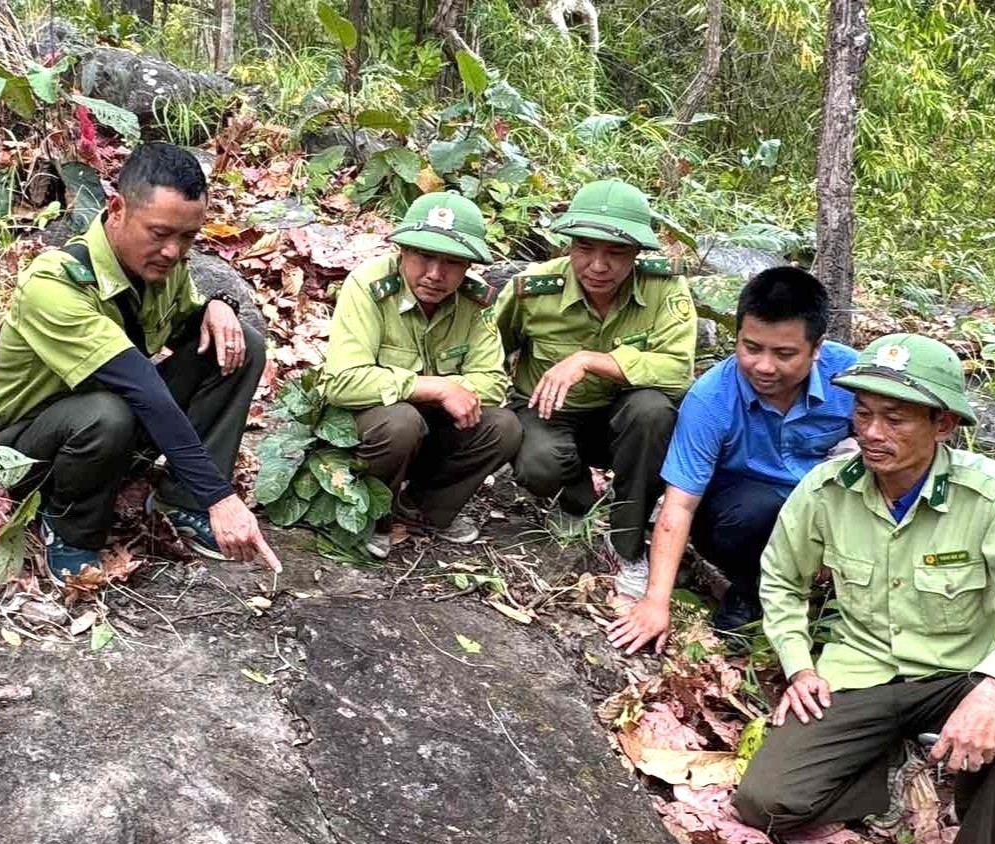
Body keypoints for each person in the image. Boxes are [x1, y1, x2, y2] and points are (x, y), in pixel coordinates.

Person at [732, 334, 995, 844]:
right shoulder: (826, 489)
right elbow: (780, 581)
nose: (872, 432)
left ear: (942, 425)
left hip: (958, 675)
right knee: (764, 803)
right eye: (863, 414)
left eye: (895, 418)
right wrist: (799, 663)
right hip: (859, 669)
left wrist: (994, 690)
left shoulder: (990, 495)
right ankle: (888, 778)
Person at [0, 142, 279, 580]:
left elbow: (187, 330)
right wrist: (221, 496)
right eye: (160, 234)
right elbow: (142, 386)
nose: (173, 252)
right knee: (108, 412)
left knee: (242, 346)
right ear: (117, 208)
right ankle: (69, 531)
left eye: (188, 237)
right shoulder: (54, 283)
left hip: (114, 428)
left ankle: (181, 501)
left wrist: (219, 305)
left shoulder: (160, 270)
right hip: (33, 449)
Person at [608, 267, 857, 651]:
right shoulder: (712, 398)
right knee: (753, 512)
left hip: (824, 508)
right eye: (751, 348)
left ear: (817, 348)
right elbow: (679, 506)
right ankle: (749, 591)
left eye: (785, 353)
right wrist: (656, 602)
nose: (764, 366)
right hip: (737, 517)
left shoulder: (852, 377)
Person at [492, 179, 697, 598]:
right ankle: (576, 495)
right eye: (584, 248)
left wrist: (590, 360)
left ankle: (628, 542)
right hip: (549, 412)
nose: (598, 266)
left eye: (616, 252)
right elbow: (491, 352)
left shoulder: (663, 289)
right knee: (538, 464)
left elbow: (677, 369)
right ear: (568, 245)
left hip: (622, 419)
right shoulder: (534, 290)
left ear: (638, 254)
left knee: (654, 411)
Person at [318, 192, 521, 558]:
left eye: (452, 262)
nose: (435, 274)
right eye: (424, 256)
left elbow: (493, 383)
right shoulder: (368, 285)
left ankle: (422, 508)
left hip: (434, 422)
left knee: (504, 427)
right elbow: (341, 383)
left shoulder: (475, 303)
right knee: (401, 422)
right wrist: (433, 387)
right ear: (403, 251)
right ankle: (373, 515)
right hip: (372, 419)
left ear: (468, 266)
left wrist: (446, 394)